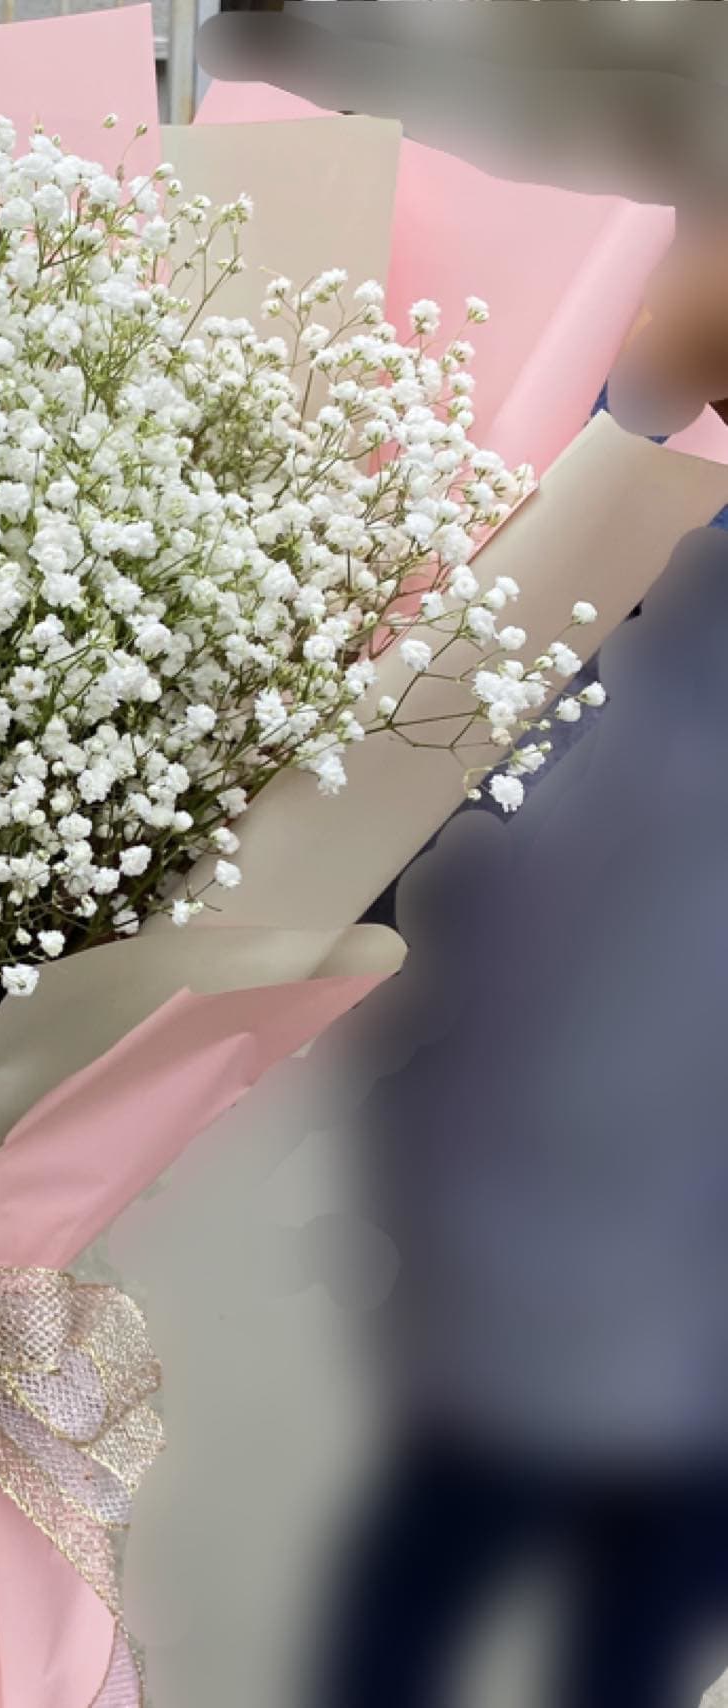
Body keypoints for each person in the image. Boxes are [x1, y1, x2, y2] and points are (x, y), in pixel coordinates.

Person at [308, 311, 728, 1706]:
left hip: (580, 1203)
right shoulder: (607, 531)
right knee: (497, 1546)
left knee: (544, 1569)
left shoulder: (606, 519)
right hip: (557, 1179)